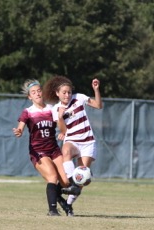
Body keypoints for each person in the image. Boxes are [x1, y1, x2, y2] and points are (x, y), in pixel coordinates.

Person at [13, 79, 79, 217]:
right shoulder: (28, 112)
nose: (37, 93)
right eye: (33, 92)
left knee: (66, 182)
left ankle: (60, 199)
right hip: (38, 151)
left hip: (54, 149)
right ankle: (52, 210)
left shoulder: (52, 108)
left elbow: (62, 126)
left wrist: (62, 128)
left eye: (39, 90)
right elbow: (20, 127)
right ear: (29, 97)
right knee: (52, 177)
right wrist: (19, 131)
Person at [43, 76, 103, 214]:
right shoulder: (55, 109)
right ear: (57, 93)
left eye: (69, 92)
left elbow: (98, 105)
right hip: (72, 141)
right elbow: (64, 131)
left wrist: (96, 90)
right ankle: (71, 181)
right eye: (64, 92)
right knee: (66, 150)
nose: (67, 95)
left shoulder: (79, 98)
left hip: (88, 142)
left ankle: (68, 205)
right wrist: (60, 117)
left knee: (82, 178)